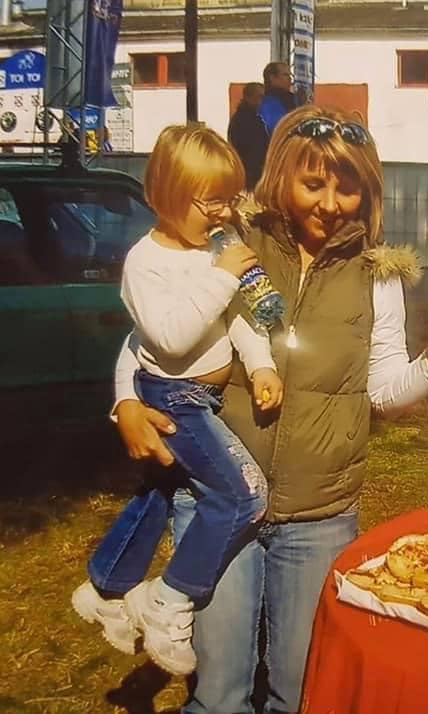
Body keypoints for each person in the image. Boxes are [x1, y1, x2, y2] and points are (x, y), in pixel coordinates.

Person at [112, 106, 428, 712]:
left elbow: (381, 392)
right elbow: (149, 338)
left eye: (346, 186)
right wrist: (125, 402)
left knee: (302, 693)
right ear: (280, 178)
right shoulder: (232, 245)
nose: (330, 203)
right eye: (313, 184)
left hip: (319, 515)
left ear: (367, 189)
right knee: (219, 693)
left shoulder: (376, 276)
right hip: (219, 504)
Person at [70, 125, 283, 677]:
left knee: (162, 490)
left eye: (229, 198)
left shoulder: (215, 251)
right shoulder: (147, 262)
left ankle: (107, 585)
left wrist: (259, 363)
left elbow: (236, 317)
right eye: (210, 200)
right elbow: (169, 338)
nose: (223, 212)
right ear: (165, 195)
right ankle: (168, 599)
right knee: (245, 496)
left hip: (200, 396)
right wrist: (219, 278)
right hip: (175, 396)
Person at [228, 82, 269, 190]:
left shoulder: (253, 118)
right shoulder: (243, 120)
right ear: (248, 97)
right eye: (259, 96)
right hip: (250, 173)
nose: (262, 101)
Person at [259, 62, 297, 136]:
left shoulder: (290, 99)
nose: (290, 79)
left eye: (290, 75)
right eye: (286, 75)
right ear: (272, 77)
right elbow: (278, 128)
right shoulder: (268, 103)